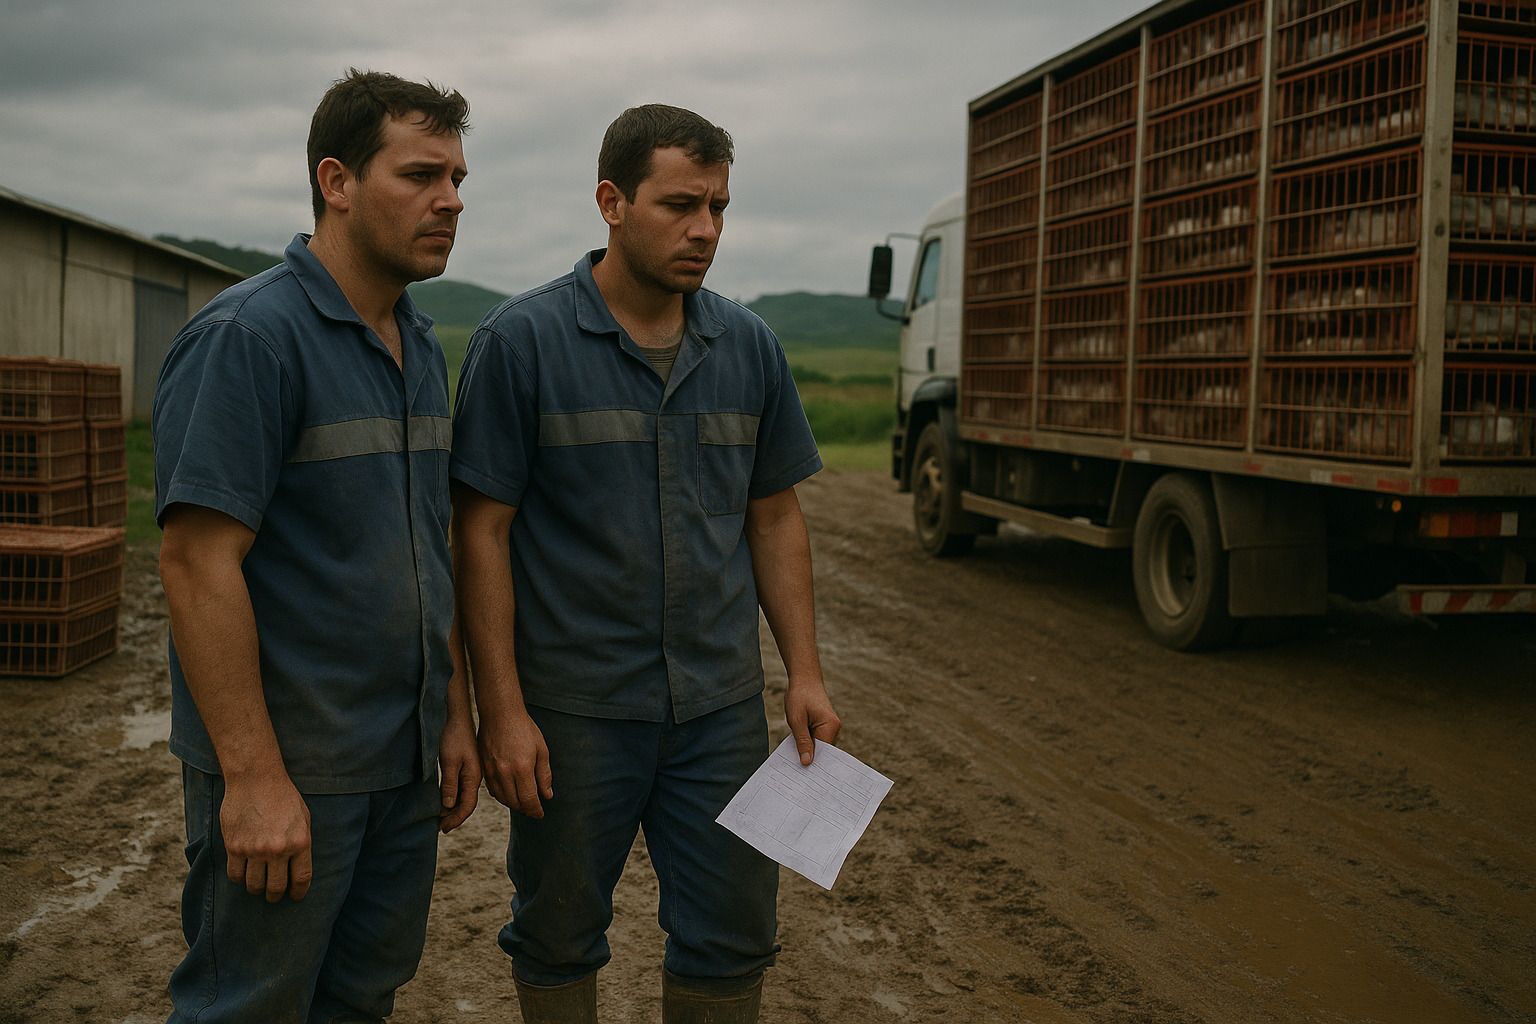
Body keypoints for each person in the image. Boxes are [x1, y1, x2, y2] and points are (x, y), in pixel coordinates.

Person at [451, 103, 842, 1024]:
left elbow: (776, 514)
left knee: (735, 929)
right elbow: (480, 534)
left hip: (716, 712)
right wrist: (500, 711)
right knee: (555, 931)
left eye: (718, 207)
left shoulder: (748, 347)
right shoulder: (522, 345)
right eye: (679, 205)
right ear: (611, 203)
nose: (704, 229)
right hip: (574, 712)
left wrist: (805, 674)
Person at [153, 69, 479, 1023]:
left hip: (398, 764)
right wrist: (254, 782)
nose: (451, 201)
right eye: (422, 175)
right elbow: (194, 563)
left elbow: (429, 551)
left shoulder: (419, 345)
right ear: (336, 181)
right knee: (247, 1007)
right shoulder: (250, 339)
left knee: (360, 1000)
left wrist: (452, 712)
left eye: (459, 179)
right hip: (293, 772)